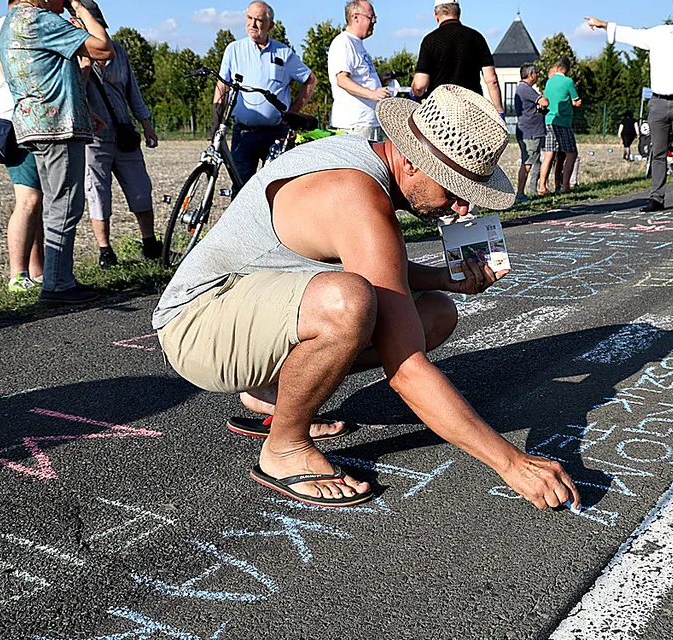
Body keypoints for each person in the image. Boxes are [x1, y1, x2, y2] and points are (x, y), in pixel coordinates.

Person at [152, 84, 581, 512]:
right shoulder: (357, 196)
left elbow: (372, 263)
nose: (462, 208)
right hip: (195, 324)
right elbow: (407, 370)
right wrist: (512, 464)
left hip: (239, 310)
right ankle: (283, 448)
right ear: (411, 162)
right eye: (454, 190)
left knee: (435, 312)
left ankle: (272, 392)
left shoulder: (366, 161)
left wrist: (447, 281)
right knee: (347, 304)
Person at [0, 0, 114, 305]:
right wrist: (82, 9)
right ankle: (57, 285)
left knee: (55, 206)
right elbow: (104, 48)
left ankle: (58, 279)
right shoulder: (40, 20)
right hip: (56, 126)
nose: (62, 5)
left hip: (34, 123)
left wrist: (85, 109)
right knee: (64, 206)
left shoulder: (11, 22)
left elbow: (47, 72)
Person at [586, 2, 673, 213]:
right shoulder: (659, 34)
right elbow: (632, 35)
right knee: (658, 151)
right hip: (659, 101)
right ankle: (657, 197)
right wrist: (604, 25)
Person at [80, 5, 161, 269]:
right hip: (93, 139)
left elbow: (132, 92)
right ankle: (105, 251)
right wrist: (85, 67)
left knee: (141, 189)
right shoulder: (72, 55)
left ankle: (149, 243)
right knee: (98, 194)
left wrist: (146, 124)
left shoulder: (119, 52)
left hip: (124, 134)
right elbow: (73, 94)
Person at [214, 1, 317, 189]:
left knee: (278, 189)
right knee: (242, 191)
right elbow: (222, 85)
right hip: (244, 134)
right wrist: (217, 121)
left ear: (270, 25)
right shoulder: (234, 50)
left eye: (259, 20)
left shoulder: (284, 53)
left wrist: (293, 112)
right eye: (249, 18)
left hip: (276, 134)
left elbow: (311, 80)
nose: (252, 24)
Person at [0, 1, 44, 292]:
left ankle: (36, 271)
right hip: (19, 121)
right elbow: (14, 74)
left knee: (35, 200)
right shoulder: (17, 27)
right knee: (28, 201)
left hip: (3, 119)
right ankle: (18, 275)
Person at [411, 2, 506, 118]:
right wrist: (499, 112)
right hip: (471, 110)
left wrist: (416, 94)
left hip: (439, 111)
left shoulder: (430, 40)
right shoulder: (477, 38)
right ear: (459, 13)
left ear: (436, 15)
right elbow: (492, 81)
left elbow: (420, 84)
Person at [328, 0, 390, 142]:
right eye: (370, 17)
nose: (374, 21)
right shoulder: (343, 42)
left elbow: (359, 78)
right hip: (355, 125)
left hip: (368, 123)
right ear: (355, 17)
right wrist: (373, 94)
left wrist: (379, 79)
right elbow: (342, 80)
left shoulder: (357, 44)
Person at [537, 57, 581, 195]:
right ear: (567, 69)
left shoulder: (549, 81)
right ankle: (565, 185)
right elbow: (576, 100)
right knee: (572, 153)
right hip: (563, 121)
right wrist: (576, 103)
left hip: (549, 119)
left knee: (549, 154)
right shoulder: (568, 81)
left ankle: (542, 186)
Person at [513, 62, 545, 200]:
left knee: (533, 161)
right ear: (530, 74)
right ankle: (520, 194)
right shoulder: (526, 89)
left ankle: (531, 190)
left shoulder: (521, 89)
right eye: (536, 73)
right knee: (527, 163)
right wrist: (540, 103)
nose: (537, 75)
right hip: (530, 132)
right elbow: (544, 102)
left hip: (528, 130)